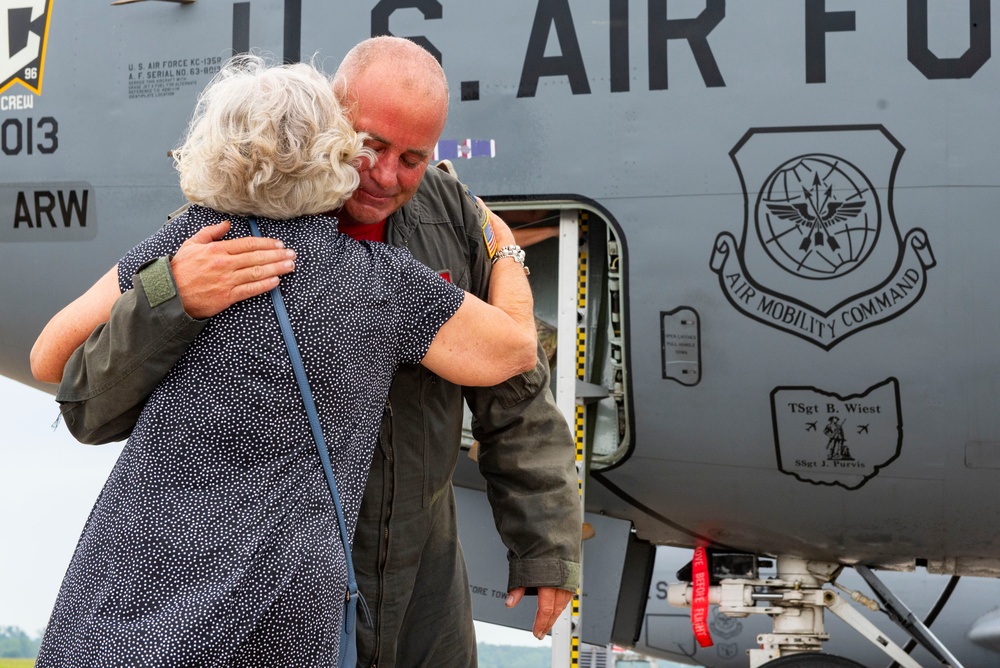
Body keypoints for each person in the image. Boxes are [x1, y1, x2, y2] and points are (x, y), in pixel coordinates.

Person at [34, 36, 582, 667]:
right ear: (331, 119)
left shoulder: (448, 215)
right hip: (295, 590)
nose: (385, 174)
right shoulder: (218, 233)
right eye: (372, 145)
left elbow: (514, 393)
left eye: (413, 158)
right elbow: (84, 396)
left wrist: (544, 545)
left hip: (412, 570)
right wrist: (173, 291)